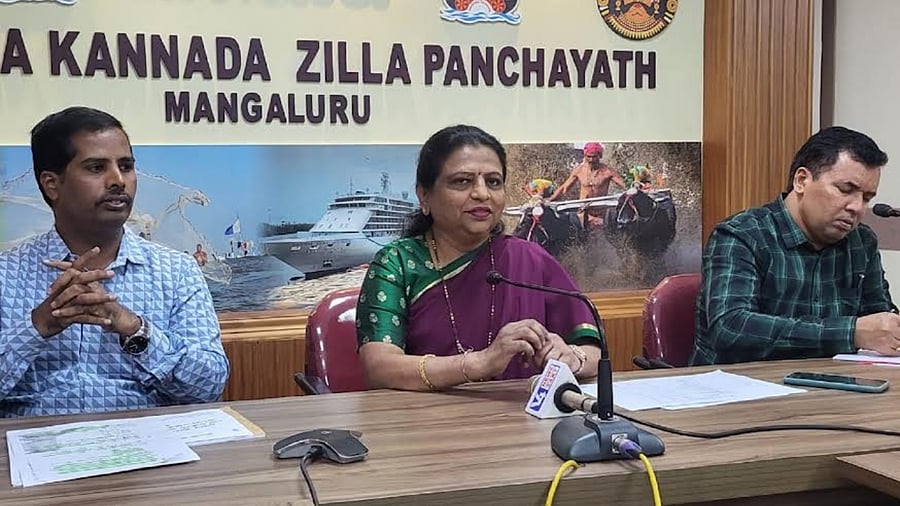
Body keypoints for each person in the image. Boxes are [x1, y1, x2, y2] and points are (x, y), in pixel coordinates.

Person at [0, 106, 229, 417]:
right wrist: (40, 325)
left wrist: (134, 329)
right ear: (52, 184)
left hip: (148, 439)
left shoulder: (177, 272)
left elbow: (208, 387)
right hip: (33, 439)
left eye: (126, 166)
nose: (118, 180)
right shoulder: (6, 274)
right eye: (96, 168)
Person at [356, 125, 604, 391]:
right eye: (462, 181)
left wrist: (572, 358)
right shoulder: (397, 264)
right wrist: (481, 362)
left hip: (522, 412)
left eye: (493, 182)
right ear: (424, 195)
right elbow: (379, 368)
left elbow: (592, 351)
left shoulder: (530, 258)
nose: (482, 194)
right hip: (427, 414)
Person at [691, 126, 900, 365]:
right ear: (801, 181)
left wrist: (889, 331)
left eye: (866, 198)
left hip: (834, 382)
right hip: (739, 382)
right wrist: (850, 332)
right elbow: (731, 328)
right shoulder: (741, 235)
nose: (856, 207)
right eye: (845, 190)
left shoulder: (862, 242)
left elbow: (878, 318)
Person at [549, 142, 625, 227]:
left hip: (601, 214)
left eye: (594, 157)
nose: (591, 160)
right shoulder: (579, 170)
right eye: (589, 156)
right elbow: (564, 189)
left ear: (600, 156)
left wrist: (634, 188)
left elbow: (624, 185)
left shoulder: (608, 171)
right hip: (583, 212)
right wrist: (550, 200)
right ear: (585, 156)